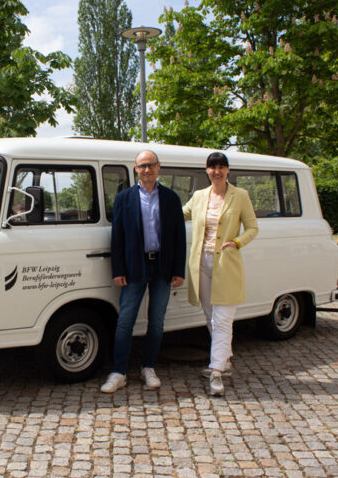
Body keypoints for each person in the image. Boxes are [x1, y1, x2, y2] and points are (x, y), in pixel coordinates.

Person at [100, 150, 186, 393]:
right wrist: (118, 270)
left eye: (151, 165)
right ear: (135, 169)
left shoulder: (171, 198)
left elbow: (180, 236)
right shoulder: (124, 198)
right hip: (134, 267)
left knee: (156, 322)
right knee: (125, 321)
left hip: (163, 267)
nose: (147, 169)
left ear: (159, 167)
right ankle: (119, 372)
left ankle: (148, 367)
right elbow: (117, 238)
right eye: (142, 166)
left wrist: (178, 270)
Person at [183, 152, 258, 396]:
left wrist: (237, 242)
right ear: (206, 171)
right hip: (201, 264)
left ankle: (216, 371)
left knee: (222, 319)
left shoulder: (240, 196)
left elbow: (252, 228)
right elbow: (179, 214)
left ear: (228, 170)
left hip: (227, 263)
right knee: (209, 314)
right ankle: (224, 361)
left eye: (221, 167)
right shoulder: (199, 196)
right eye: (212, 167)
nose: (217, 171)